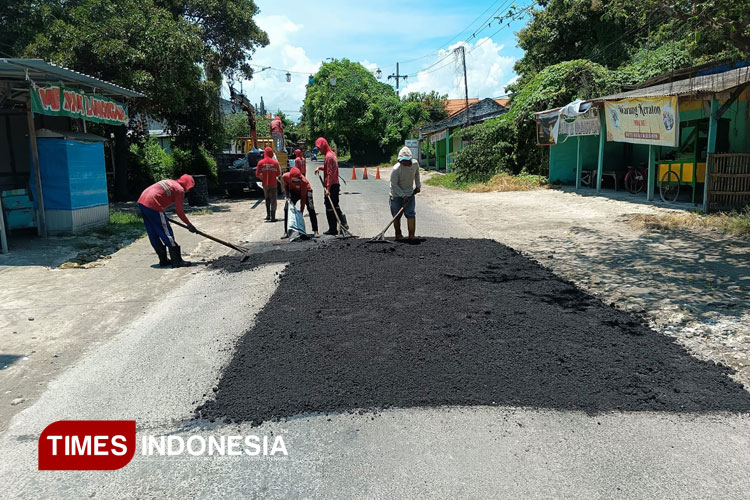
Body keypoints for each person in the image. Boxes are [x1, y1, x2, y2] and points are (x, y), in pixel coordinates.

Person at [137, 174, 196, 268]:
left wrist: (159, 215)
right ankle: (177, 261)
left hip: (142, 202)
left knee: (153, 232)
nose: (189, 190)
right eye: (190, 187)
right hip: (153, 204)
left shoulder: (171, 182)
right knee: (166, 232)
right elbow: (179, 211)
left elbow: (162, 196)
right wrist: (189, 224)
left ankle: (163, 260)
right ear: (187, 185)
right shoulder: (179, 190)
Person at [314, 137, 347, 235]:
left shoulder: (328, 157)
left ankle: (333, 228)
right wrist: (320, 167)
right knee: (335, 205)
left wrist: (327, 188)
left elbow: (329, 174)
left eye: (320, 148)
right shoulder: (332, 154)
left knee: (329, 206)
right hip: (335, 184)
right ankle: (343, 225)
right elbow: (329, 169)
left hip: (331, 186)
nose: (320, 150)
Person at [389, 146, 421, 241]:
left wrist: (418, 185)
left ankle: (411, 235)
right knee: (396, 215)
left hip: (410, 193)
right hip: (396, 195)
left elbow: (417, 174)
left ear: (410, 159)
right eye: (401, 160)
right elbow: (394, 184)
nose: (403, 162)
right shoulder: (396, 169)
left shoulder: (415, 164)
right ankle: (398, 234)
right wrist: (403, 196)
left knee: (410, 213)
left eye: (405, 160)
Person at [282, 167, 319, 237]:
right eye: (294, 180)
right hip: (294, 191)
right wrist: (287, 195)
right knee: (286, 209)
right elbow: (286, 186)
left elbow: (303, 197)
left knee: (311, 208)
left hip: (306, 190)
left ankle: (315, 230)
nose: (296, 181)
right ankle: (286, 232)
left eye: (297, 180)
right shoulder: (285, 176)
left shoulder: (303, 181)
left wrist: (301, 212)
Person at [256, 146, 282, 222]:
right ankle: (273, 217)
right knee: (273, 200)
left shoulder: (260, 162)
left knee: (267, 199)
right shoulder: (275, 163)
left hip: (265, 184)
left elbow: (257, 174)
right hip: (273, 184)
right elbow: (278, 174)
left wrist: (262, 177)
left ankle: (268, 215)